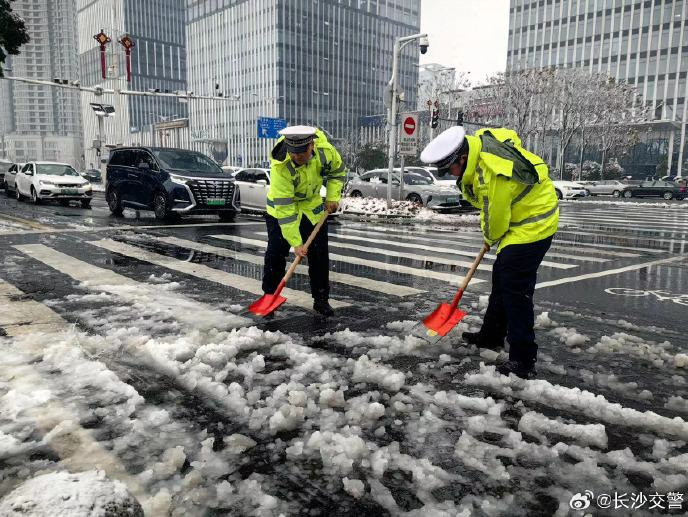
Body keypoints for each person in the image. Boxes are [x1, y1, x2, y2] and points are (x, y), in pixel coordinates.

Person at [420, 126, 559, 378]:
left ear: (462, 158)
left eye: (450, 169)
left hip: (533, 223)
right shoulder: (478, 148)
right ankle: (490, 336)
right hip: (519, 220)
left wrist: (489, 237)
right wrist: (493, 235)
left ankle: (523, 358)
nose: (450, 175)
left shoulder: (490, 171)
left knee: (515, 290)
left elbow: (495, 216)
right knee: (502, 279)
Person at [262, 125, 346, 316]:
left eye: (301, 153)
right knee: (275, 255)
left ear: (311, 146)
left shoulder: (326, 152)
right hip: (280, 213)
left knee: (319, 256)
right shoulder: (281, 165)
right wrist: (296, 243)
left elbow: (337, 172)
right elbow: (286, 208)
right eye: (293, 153)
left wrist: (333, 197)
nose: (297, 157)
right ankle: (269, 297)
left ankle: (321, 299)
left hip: (312, 210)